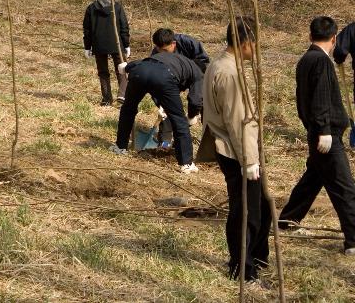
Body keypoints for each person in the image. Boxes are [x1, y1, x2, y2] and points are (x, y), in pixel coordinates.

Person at [197, 19, 270, 286]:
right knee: (246, 212)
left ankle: (258, 258)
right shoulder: (230, 73)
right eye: (256, 44)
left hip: (231, 147)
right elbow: (239, 121)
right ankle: (242, 268)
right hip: (235, 151)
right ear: (245, 43)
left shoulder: (219, 64)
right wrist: (249, 161)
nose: (257, 49)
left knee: (259, 207)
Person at [277, 15, 355, 253]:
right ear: (334, 38)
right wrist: (323, 130)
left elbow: (302, 101)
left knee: (313, 179)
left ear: (310, 36)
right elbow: (320, 98)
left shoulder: (306, 59)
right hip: (326, 135)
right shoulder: (320, 62)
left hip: (318, 132)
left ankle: (287, 220)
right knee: (345, 188)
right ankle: (354, 240)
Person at [112, 28, 203, 172]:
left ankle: (120, 147)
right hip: (164, 77)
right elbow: (196, 98)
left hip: (139, 72)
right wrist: (192, 116)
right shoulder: (197, 71)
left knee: (128, 109)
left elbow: (140, 64)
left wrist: (126, 67)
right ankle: (186, 163)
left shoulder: (162, 55)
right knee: (179, 120)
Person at [83, 0, 130, 105]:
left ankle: (106, 99)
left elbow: (87, 30)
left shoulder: (91, 8)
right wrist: (126, 44)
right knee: (122, 69)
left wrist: (87, 47)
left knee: (103, 72)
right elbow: (124, 26)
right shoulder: (117, 6)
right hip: (116, 43)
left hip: (98, 44)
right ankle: (122, 95)